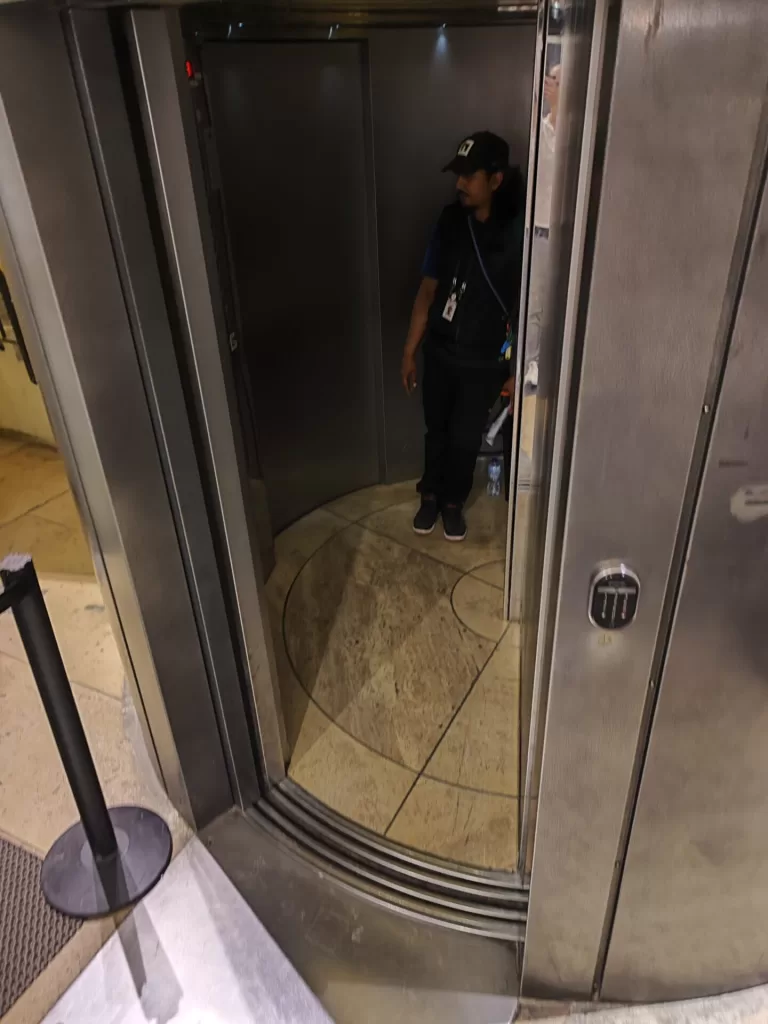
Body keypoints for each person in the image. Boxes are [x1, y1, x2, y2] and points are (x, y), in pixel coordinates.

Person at [401, 131, 525, 541]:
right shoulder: (450, 221)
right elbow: (428, 289)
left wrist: (516, 368)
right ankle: (430, 495)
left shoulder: (517, 233)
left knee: (465, 438)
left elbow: (530, 307)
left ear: (495, 180)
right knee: (435, 431)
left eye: (469, 176)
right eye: (459, 174)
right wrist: (410, 351)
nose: (459, 184)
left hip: (486, 361)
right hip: (440, 352)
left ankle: (453, 501)